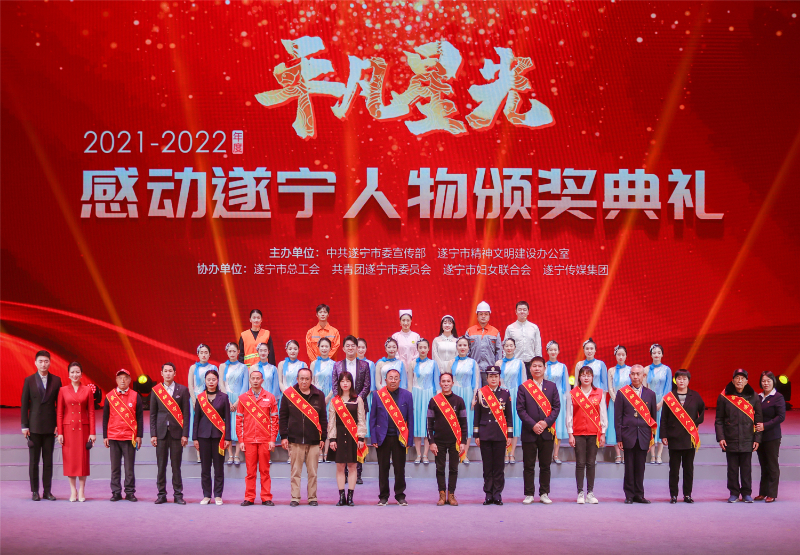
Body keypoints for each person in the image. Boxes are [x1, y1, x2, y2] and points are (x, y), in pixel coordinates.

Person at [280, 367, 328, 506]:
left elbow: (323, 418)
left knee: (313, 472)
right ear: (297, 379)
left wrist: (323, 438)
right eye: (301, 378)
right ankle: (295, 498)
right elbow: (283, 417)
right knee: (295, 471)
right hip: (295, 440)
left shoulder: (319, 395)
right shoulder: (289, 394)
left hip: (314, 440)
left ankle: (312, 498)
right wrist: (284, 436)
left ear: (311, 380)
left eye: (307, 379)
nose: (304, 381)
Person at [517, 356, 560, 505]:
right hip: (529, 432)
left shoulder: (552, 387)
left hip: (547, 432)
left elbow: (556, 408)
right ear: (530, 369)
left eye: (539, 366)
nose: (537, 369)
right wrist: (533, 425)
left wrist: (546, 423)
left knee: (545, 465)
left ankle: (544, 493)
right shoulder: (523, 387)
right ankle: (529, 493)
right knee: (528, 465)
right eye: (534, 366)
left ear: (544, 368)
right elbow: (520, 410)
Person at [716, 369, 763, 503]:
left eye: (742, 378)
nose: (740, 381)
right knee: (732, 468)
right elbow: (719, 419)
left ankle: (747, 493)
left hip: (748, 438)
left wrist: (757, 438)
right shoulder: (724, 396)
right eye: (737, 378)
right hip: (730, 438)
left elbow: (758, 419)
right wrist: (721, 437)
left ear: (747, 381)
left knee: (746, 468)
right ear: (732, 380)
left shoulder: (753, 396)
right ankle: (734, 493)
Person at [20, 350, 62, 501]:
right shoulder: (29, 380)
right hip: (34, 427)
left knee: (48, 461)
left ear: (50, 363)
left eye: (46, 361)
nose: (43, 364)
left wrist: (59, 425)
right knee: (34, 461)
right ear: (35, 363)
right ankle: (34, 491)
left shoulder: (56, 380)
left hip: (50, 427)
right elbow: (24, 404)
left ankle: (47, 491)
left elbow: (60, 405)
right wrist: (24, 426)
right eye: (40, 361)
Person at [370, 368, 414, 506]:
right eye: (390, 378)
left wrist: (409, 439)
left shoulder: (407, 395)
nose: (393, 380)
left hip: (399, 438)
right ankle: (383, 496)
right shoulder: (378, 395)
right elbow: (373, 418)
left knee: (400, 468)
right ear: (385, 380)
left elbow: (410, 419)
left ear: (400, 380)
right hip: (382, 437)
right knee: (383, 468)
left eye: (396, 378)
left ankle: (400, 495)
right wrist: (373, 438)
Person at [660, 369, 705, 504]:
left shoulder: (695, 396)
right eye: (679, 378)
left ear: (688, 381)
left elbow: (703, 411)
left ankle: (687, 495)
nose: (681, 381)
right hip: (674, 438)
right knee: (674, 469)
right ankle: (673, 495)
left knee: (688, 469)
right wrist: (664, 435)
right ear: (676, 380)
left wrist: (695, 424)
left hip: (689, 438)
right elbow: (664, 418)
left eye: (684, 379)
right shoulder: (670, 397)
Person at [614, 364, 657, 504]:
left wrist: (651, 439)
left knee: (640, 467)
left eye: (638, 374)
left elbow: (653, 419)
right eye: (633, 374)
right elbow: (618, 418)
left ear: (644, 376)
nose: (635, 376)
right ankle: (629, 495)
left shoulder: (650, 394)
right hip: (628, 434)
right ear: (629, 375)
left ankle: (639, 494)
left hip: (644, 435)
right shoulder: (622, 393)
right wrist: (619, 437)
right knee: (629, 467)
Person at [149, 362, 190, 505]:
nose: (168, 373)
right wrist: (153, 434)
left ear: (175, 373)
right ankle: (161, 494)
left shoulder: (183, 390)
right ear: (161, 373)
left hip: (177, 433)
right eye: (165, 371)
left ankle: (178, 495)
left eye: (170, 371)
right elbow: (152, 414)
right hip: (160, 433)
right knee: (161, 466)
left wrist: (185, 434)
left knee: (176, 466)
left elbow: (186, 414)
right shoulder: (156, 390)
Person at [331, 335, 371, 482]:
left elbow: (367, 385)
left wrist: (356, 400)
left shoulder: (364, 365)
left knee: (358, 438)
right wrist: (342, 401)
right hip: (341, 407)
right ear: (343, 348)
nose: (350, 348)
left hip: (358, 406)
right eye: (347, 345)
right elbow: (335, 386)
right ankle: (345, 473)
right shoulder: (337, 365)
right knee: (343, 439)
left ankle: (358, 472)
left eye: (353, 345)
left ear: (357, 348)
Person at [237, 368, 279, 506]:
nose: (255, 381)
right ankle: (249, 497)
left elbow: (274, 420)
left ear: (262, 380)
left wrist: (272, 440)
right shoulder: (243, 398)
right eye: (253, 378)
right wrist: (241, 440)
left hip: (265, 440)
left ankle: (266, 497)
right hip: (249, 440)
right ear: (249, 380)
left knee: (265, 470)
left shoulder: (270, 397)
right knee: (250, 471)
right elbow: (239, 421)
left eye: (258, 378)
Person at [567, 365, 607, 504]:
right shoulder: (573, 393)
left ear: (592, 377)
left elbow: (603, 414)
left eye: (588, 375)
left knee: (591, 463)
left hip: (594, 433)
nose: (586, 378)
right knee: (580, 463)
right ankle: (580, 492)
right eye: (583, 375)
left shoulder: (599, 393)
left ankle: (590, 493)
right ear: (579, 377)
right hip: (578, 432)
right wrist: (570, 433)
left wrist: (603, 433)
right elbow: (569, 414)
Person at [56, 362, 96, 502]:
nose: (75, 375)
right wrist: (60, 432)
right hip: (68, 429)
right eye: (72, 372)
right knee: (71, 461)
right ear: (68, 374)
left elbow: (91, 412)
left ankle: (82, 490)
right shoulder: (62, 390)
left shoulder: (87, 390)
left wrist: (92, 432)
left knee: (82, 461)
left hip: (83, 429)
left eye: (77, 372)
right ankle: (73, 490)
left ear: (81, 374)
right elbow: (59, 413)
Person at [474, 366, 513, 505]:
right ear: (487, 378)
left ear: (499, 378)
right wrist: (476, 434)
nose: (493, 379)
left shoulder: (505, 393)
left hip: (500, 433)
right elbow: (477, 415)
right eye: (491, 376)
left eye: (496, 376)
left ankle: (497, 494)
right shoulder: (480, 392)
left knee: (499, 466)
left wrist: (509, 434)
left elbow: (509, 416)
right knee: (487, 466)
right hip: (485, 433)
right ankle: (488, 494)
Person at [328, 371, 367, 506]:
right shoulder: (335, 401)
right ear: (339, 383)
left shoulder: (358, 400)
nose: (345, 384)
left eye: (348, 381)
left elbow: (361, 420)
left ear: (352, 383)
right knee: (340, 467)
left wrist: (361, 438)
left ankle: (350, 497)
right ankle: (341, 497)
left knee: (352, 466)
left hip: (353, 437)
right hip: (339, 436)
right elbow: (331, 421)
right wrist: (332, 439)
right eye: (342, 381)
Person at [103, 368, 144, 502]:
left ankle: (130, 492)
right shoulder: (110, 396)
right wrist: (105, 436)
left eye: (125, 378)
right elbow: (105, 417)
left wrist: (139, 435)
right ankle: (116, 492)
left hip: (129, 437)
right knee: (115, 468)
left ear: (130, 380)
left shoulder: (135, 396)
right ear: (116, 380)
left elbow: (140, 417)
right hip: (114, 436)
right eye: (120, 378)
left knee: (129, 467)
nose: (122, 380)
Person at [428, 372, 467, 506]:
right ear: (440, 383)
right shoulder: (434, 401)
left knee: (453, 468)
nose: (446, 384)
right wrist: (431, 442)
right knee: (440, 468)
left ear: (452, 383)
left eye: (448, 381)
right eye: (443, 381)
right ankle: (442, 494)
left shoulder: (459, 401)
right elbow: (429, 424)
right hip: (438, 441)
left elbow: (464, 423)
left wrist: (463, 442)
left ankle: (451, 495)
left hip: (455, 441)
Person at [193, 370, 231, 505]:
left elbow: (227, 419)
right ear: (205, 381)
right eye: (208, 379)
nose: (211, 382)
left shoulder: (224, 397)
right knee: (205, 468)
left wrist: (227, 438)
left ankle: (218, 495)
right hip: (203, 436)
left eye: (213, 379)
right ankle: (207, 495)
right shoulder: (200, 397)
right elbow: (196, 419)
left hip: (218, 437)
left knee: (219, 468)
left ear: (217, 381)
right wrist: (195, 438)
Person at [755, 371, 785, 503]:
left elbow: (781, 417)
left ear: (773, 382)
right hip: (760, 436)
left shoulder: (778, 397)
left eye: (768, 381)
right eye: (763, 381)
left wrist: (765, 426)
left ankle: (772, 493)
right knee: (763, 465)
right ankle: (763, 492)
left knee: (772, 465)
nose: (766, 383)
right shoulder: (758, 397)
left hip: (772, 436)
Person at [451, 336, 480, 464]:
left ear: (468, 348)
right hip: (454, 394)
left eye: (465, 345)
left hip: (468, 395)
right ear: (456, 347)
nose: (462, 348)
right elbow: (447, 380)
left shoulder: (473, 363)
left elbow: (476, 382)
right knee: (453, 422)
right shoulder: (451, 362)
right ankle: (454, 452)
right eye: (460, 345)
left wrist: (474, 397)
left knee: (466, 424)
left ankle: (464, 454)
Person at [411, 338, 440, 464]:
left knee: (428, 424)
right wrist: (410, 397)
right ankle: (418, 454)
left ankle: (426, 454)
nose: (422, 350)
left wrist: (437, 398)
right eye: (420, 347)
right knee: (417, 424)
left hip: (429, 395)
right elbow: (410, 382)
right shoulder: (412, 363)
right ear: (417, 349)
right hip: (416, 395)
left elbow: (437, 383)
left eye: (425, 347)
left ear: (428, 349)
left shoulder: (433, 364)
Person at [188, 343, 217, 462]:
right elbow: (190, 385)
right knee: (198, 424)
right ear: (198, 354)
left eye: (206, 352)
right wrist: (194, 400)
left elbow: (216, 384)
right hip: (196, 398)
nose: (204, 355)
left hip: (210, 398)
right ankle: (199, 453)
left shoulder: (213, 367)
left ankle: (211, 451)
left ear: (209, 354)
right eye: (201, 353)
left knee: (209, 424)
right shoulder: (193, 368)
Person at [498, 338, 525, 464]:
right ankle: (504, 453)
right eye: (506, 346)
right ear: (503, 348)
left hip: (515, 395)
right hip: (502, 395)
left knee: (514, 423)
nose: (509, 348)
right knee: (503, 423)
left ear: (515, 347)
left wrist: (522, 398)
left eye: (511, 346)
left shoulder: (520, 363)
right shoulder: (498, 363)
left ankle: (512, 453)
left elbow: (523, 382)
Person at [220, 342, 248, 465]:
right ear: (227, 352)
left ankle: (237, 454)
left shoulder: (243, 367)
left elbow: (245, 386)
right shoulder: (222, 366)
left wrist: (237, 401)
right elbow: (221, 384)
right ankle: (229, 454)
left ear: (238, 352)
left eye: (234, 351)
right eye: (229, 351)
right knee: (227, 425)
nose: (232, 353)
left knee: (238, 425)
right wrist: (227, 400)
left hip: (239, 399)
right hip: (226, 398)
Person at [465, 301, 503, 387]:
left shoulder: (495, 332)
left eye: (486, 314)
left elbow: (499, 352)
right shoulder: (470, 331)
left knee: (489, 393)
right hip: (474, 370)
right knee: (475, 392)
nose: (483, 316)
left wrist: (497, 369)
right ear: (477, 315)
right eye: (481, 314)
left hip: (490, 371)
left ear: (489, 316)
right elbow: (466, 351)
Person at [646, 344, 672, 464]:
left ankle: (659, 455)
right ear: (651, 355)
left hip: (663, 401)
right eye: (654, 353)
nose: (656, 355)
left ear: (662, 354)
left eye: (659, 352)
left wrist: (661, 402)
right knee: (651, 427)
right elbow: (645, 387)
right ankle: (652, 455)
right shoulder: (646, 369)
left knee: (661, 427)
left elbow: (668, 388)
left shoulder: (667, 370)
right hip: (649, 401)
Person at [544, 341, 569, 464]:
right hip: (545, 397)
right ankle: (546, 454)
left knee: (558, 425)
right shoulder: (543, 366)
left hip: (558, 397)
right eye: (551, 350)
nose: (553, 352)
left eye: (555, 350)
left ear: (558, 351)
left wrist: (566, 400)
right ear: (547, 351)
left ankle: (556, 454)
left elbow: (566, 385)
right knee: (547, 425)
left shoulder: (563, 367)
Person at [503, 301, 542, 379]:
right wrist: (506, 363)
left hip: (531, 363)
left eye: (524, 310)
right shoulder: (510, 328)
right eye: (520, 309)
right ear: (516, 312)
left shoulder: (534, 328)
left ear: (528, 312)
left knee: (530, 385)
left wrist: (538, 363)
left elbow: (538, 346)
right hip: (515, 363)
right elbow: (505, 347)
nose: (522, 312)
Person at [312, 337, 336, 462]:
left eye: (327, 346)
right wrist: (317, 396)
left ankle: (327, 452)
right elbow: (311, 381)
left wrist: (328, 397)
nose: (324, 348)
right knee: (317, 424)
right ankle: (319, 452)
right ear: (318, 347)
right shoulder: (313, 364)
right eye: (322, 346)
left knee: (328, 424)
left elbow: (335, 383)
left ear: (330, 348)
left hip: (329, 397)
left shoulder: (334, 364)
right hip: (316, 396)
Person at [607, 345, 631, 464]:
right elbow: (610, 387)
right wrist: (616, 400)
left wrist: (627, 401)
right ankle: (618, 455)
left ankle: (626, 454)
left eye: (623, 354)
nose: (621, 357)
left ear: (626, 356)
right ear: (615, 356)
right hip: (615, 403)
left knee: (627, 427)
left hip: (628, 403)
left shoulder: (631, 370)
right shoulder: (611, 370)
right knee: (614, 426)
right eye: (618, 355)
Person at [392, 309, 421, 389]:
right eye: (403, 320)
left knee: (412, 388)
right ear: (400, 322)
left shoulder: (416, 336)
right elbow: (394, 352)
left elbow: (418, 351)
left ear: (411, 321)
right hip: (398, 367)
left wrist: (412, 364)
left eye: (408, 320)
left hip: (413, 367)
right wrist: (401, 364)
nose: (405, 323)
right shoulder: (395, 336)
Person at [573, 338, 607, 403]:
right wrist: (576, 398)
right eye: (587, 349)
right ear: (583, 350)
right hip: (583, 397)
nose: (589, 351)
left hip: (597, 397)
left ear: (595, 350)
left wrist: (603, 400)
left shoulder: (600, 364)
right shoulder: (579, 364)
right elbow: (576, 383)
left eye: (591, 349)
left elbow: (604, 384)